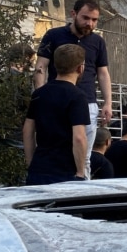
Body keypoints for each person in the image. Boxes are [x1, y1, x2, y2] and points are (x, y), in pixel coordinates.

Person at [34, 0, 113, 179]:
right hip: (57, 102)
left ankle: (80, 192)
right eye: (86, 18)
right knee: (54, 149)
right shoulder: (53, 35)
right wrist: (40, 95)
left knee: (85, 157)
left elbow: (103, 73)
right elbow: (41, 67)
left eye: (94, 20)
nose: (89, 23)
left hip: (87, 103)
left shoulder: (98, 42)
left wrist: (108, 103)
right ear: (73, 14)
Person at [23, 44, 90, 185]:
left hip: (39, 167)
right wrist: (80, 173)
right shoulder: (78, 96)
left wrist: (30, 163)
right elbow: (79, 137)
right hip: (65, 172)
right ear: (80, 68)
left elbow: (28, 131)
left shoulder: (39, 94)